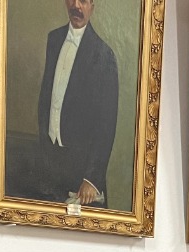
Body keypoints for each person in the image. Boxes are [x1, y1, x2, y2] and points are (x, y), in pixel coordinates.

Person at [35, 0, 119, 207]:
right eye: (72, 0)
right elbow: (46, 96)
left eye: (83, 1)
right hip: (49, 161)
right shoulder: (54, 39)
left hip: (82, 172)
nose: (76, 6)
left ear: (92, 6)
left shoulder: (104, 55)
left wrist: (91, 179)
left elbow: (107, 125)